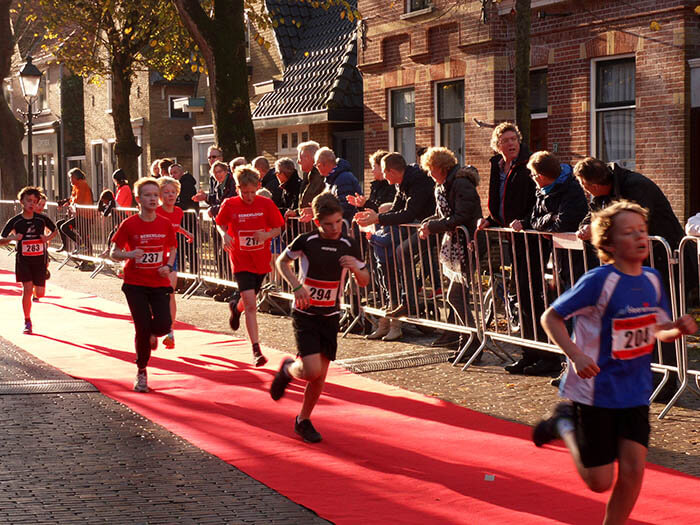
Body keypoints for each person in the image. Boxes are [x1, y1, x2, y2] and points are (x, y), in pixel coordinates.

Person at [534, 200, 697, 525]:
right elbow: (550, 317)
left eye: (642, 231)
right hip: (595, 391)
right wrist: (576, 354)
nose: (640, 237)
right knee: (600, 482)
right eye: (629, 232)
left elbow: (657, 329)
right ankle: (564, 423)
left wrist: (675, 328)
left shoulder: (651, 279)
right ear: (607, 243)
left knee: (634, 470)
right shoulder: (598, 281)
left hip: (635, 391)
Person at [574, 157, 689, 402]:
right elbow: (593, 214)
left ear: (593, 184)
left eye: (584, 185)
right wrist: (586, 227)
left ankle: (667, 381)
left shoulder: (635, 186)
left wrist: (598, 229)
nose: (585, 190)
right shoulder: (602, 193)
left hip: (663, 262)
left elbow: (635, 222)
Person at [272, 192, 369, 442]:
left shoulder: (349, 245)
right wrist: (295, 286)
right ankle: (288, 369)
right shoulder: (306, 240)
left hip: (330, 315)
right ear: (317, 222)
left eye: (338, 222)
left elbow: (365, 280)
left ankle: (303, 420)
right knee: (311, 370)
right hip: (306, 314)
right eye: (328, 224)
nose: (335, 228)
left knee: (320, 376)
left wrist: (355, 270)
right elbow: (282, 263)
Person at [509, 151, 589, 377]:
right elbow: (536, 219)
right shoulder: (542, 191)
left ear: (542, 175)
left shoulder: (569, 189)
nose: (533, 178)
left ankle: (574, 365)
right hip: (557, 259)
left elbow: (564, 221)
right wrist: (534, 223)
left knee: (573, 311)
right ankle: (557, 361)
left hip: (573, 259)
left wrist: (542, 225)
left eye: (534, 175)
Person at [476, 122, 539, 372]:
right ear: (497, 144)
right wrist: (491, 219)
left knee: (529, 294)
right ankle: (529, 351)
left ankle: (541, 353)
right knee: (519, 294)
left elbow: (535, 200)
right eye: (505, 140)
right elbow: (498, 198)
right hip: (510, 236)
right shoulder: (496, 165)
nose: (511, 144)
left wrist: (525, 221)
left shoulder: (528, 164)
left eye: (514, 139)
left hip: (529, 236)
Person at [110, 177, 178, 393]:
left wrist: (167, 265)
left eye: (155, 195)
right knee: (141, 327)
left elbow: (172, 247)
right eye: (148, 195)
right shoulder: (129, 224)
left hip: (158, 282)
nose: (153, 199)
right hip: (135, 283)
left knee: (164, 325)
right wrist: (130, 254)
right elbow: (114, 252)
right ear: (138, 200)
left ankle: (152, 333)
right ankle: (141, 371)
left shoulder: (165, 224)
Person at [355, 152, 437, 323]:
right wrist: (374, 216)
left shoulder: (417, 181)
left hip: (433, 226)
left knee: (402, 251)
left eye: (384, 172)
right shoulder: (402, 183)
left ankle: (409, 302)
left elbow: (409, 213)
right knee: (396, 251)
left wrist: (377, 218)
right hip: (420, 226)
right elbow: (395, 209)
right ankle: (402, 300)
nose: (383, 177)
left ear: (391, 171)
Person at [216, 166, 284, 366]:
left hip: (261, 260)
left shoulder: (266, 204)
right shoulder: (230, 204)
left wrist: (266, 235)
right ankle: (256, 350)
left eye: (252, 192)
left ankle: (236, 308)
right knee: (252, 304)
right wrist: (225, 234)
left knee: (248, 300)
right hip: (240, 258)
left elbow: (279, 228)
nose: (248, 196)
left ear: (258, 187)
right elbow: (220, 223)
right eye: (244, 192)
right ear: (237, 189)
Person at [418, 147, 483, 359]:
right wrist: (429, 223)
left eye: (429, 169)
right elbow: (442, 213)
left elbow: (462, 215)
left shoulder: (460, 183)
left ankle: (474, 342)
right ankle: (468, 342)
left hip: (467, 245)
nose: (428, 174)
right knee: (456, 296)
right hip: (457, 246)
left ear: (439, 167)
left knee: (455, 296)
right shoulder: (445, 185)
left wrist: (433, 227)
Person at [1, 186, 58, 333]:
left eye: (35, 201)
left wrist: (47, 238)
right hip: (23, 260)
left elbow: (55, 230)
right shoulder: (15, 221)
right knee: (27, 289)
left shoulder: (41, 219)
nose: (32, 204)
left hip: (39, 260)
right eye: (28, 201)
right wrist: (13, 238)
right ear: (22, 202)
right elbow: (1, 238)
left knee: (40, 293)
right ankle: (27, 321)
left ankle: (34, 285)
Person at [156, 176, 194, 349]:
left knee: (170, 292)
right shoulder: (155, 211)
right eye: (166, 192)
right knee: (155, 294)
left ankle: (170, 331)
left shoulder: (178, 211)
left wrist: (187, 234)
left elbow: (174, 226)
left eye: (173, 192)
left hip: (172, 255)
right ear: (160, 195)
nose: (170, 195)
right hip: (155, 256)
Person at [193, 160, 237, 301]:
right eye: (215, 172)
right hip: (218, 222)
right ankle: (222, 282)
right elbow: (215, 200)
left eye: (220, 171)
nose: (218, 174)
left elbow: (229, 203)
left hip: (228, 224)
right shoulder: (217, 184)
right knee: (218, 256)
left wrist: (214, 209)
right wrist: (205, 198)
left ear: (226, 171)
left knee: (225, 255)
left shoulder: (232, 183)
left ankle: (230, 287)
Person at [314, 147, 362, 224]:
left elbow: (345, 206)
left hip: (347, 226)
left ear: (322, 165)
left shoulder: (343, 178)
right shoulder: (331, 180)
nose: (317, 168)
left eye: (316, 165)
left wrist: (322, 212)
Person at [169, 163, 198, 276]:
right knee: (179, 250)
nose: (173, 175)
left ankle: (193, 276)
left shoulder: (187, 184)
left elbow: (187, 203)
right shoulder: (174, 186)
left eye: (175, 173)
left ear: (181, 172)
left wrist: (174, 206)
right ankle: (181, 277)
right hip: (178, 222)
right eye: (171, 173)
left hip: (188, 221)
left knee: (190, 251)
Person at [56, 168, 94, 253]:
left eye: (70, 177)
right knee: (61, 224)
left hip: (85, 216)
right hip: (79, 215)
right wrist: (65, 202)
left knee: (83, 236)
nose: (70, 180)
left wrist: (71, 206)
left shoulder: (82, 185)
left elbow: (78, 201)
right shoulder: (76, 186)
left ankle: (85, 254)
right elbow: (73, 198)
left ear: (75, 177)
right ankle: (69, 246)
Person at [292, 141, 325, 222]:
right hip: (309, 226)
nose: (298, 162)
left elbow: (329, 203)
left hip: (320, 227)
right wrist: (296, 212)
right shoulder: (307, 176)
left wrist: (314, 210)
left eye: (300, 158)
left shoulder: (323, 176)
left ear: (309, 158)